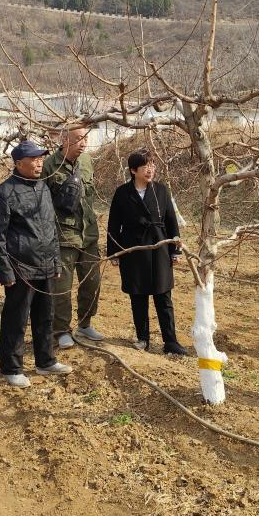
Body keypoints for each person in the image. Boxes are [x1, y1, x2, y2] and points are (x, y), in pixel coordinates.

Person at [0, 140, 73, 387]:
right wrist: (5, 272)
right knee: (16, 319)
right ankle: (12, 368)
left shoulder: (43, 187)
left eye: (40, 159)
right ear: (18, 163)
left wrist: (55, 262)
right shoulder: (4, 193)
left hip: (45, 264)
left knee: (45, 315)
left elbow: (51, 228)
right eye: (34, 160)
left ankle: (45, 361)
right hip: (21, 267)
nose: (39, 164)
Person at [107, 150, 189, 355]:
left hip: (159, 246)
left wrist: (175, 250)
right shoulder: (122, 193)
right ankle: (143, 338)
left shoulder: (161, 190)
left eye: (152, 165)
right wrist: (114, 252)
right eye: (145, 166)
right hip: (133, 249)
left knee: (163, 296)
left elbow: (171, 221)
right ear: (133, 170)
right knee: (138, 295)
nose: (150, 169)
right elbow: (113, 224)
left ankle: (170, 341)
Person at [41, 126, 104, 348]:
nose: (83, 143)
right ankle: (61, 330)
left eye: (86, 138)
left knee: (92, 282)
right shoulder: (49, 165)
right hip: (64, 236)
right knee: (62, 288)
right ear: (65, 140)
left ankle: (85, 324)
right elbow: (42, 203)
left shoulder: (86, 161)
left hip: (89, 234)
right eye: (78, 139)